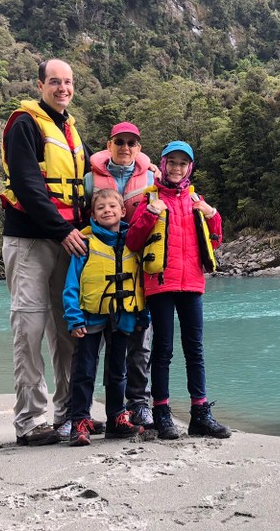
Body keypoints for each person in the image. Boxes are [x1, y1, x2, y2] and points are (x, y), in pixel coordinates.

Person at [0, 58, 91, 446]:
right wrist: (62, 229)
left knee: (67, 329)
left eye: (68, 82)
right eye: (55, 82)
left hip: (66, 239)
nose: (62, 88)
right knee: (30, 328)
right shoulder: (25, 123)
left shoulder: (69, 128)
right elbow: (27, 184)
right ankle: (30, 421)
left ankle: (70, 413)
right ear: (40, 85)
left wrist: (143, 164)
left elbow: (94, 172)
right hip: (31, 240)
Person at [125, 140, 230, 440]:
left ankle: (200, 414)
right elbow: (133, 241)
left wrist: (212, 214)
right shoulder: (150, 199)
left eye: (183, 163)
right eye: (172, 162)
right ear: (164, 163)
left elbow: (216, 239)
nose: (176, 168)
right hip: (161, 285)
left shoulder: (196, 199)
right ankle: (162, 414)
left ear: (190, 168)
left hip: (192, 284)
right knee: (163, 351)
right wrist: (150, 214)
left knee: (195, 350)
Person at [62, 187, 150, 445]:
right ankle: (80, 420)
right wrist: (74, 318)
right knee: (84, 370)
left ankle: (116, 418)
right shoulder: (85, 243)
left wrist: (143, 313)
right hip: (90, 317)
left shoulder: (132, 241)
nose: (107, 211)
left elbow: (140, 281)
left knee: (118, 370)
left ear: (123, 211)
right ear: (93, 214)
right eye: (101, 208)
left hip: (123, 315)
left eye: (112, 207)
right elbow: (71, 285)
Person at [85, 122, 155, 430]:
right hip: (100, 267)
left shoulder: (154, 177)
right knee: (91, 350)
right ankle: (83, 414)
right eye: (119, 142)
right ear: (109, 144)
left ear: (139, 147)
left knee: (139, 342)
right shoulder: (90, 181)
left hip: (138, 267)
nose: (125, 147)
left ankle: (138, 405)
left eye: (131, 143)